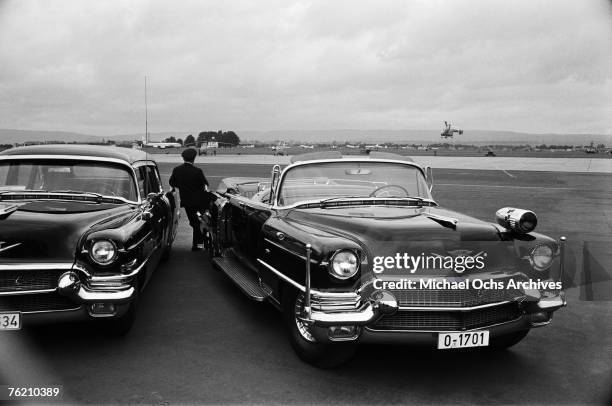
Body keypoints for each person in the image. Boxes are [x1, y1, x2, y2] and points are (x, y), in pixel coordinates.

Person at [169, 148, 210, 251]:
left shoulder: (177, 170)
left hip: (187, 203)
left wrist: (182, 186)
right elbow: (205, 184)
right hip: (199, 203)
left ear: (183, 158)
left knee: (195, 222)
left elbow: (172, 182)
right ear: (194, 158)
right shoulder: (197, 171)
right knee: (199, 222)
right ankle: (199, 245)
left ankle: (198, 244)